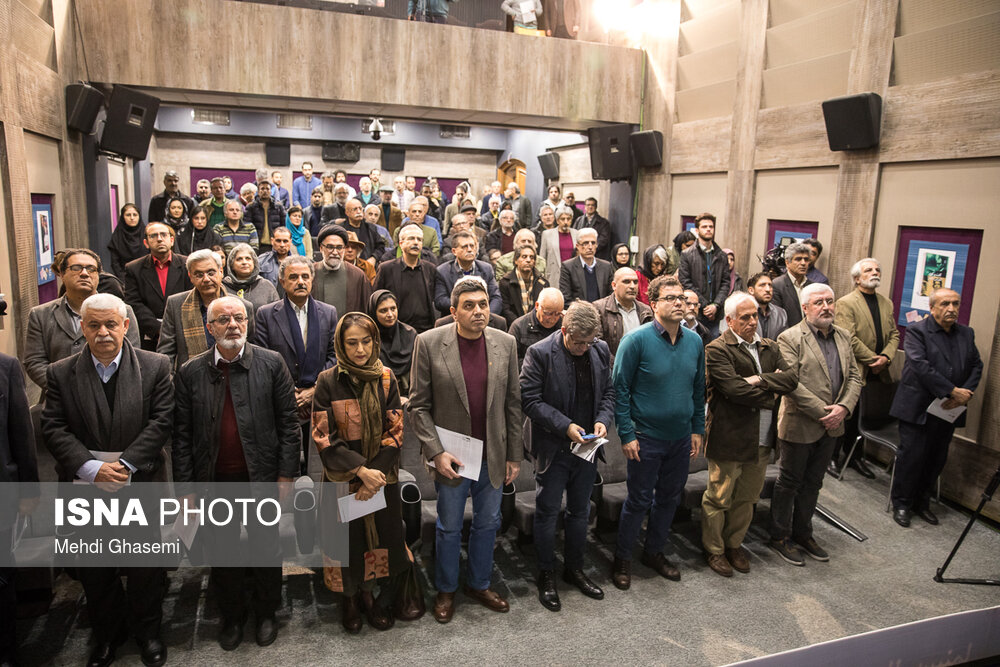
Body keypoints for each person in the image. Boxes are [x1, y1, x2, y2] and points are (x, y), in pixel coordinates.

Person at [42, 293, 172, 667]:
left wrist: (126, 464)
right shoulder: (61, 372)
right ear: (81, 327)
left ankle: (148, 634)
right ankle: (107, 636)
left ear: (125, 326)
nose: (103, 333)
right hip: (87, 485)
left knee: (145, 569)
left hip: (142, 480)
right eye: (94, 325)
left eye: (111, 324)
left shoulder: (156, 366)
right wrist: (91, 468)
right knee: (96, 570)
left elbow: (161, 421)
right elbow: (53, 426)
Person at [172, 296, 298, 651]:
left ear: (248, 323)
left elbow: (289, 425)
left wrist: (287, 475)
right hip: (215, 481)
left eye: (239, 318)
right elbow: (181, 436)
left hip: (261, 476)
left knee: (265, 548)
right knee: (223, 551)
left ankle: (267, 612)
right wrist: (186, 490)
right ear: (209, 327)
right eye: (223, 319)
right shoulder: (190, 371)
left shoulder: (272, 364)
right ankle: (231, 615)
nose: (232, 325)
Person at [408, 277, 523, 624]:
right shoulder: (428, 343)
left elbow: (513, 404)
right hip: (452, 456)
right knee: (449, 526)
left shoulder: (506, 343)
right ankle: (446, 588)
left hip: (493, 453)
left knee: (489, 523)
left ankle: (479, 583)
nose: (478, 312)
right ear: (453, 310)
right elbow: (417, 406)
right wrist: (435, 451)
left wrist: (513, 455)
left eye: (483, 304)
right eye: (469, 306)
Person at [310, 312, 409, 633]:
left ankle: (368, 594)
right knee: (348, 544)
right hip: (343, 480)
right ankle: (349, 599)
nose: (360, 350)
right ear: (340, 344)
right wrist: (360, 471)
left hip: (381, 479)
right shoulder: (327, 381)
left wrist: (374, 475)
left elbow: (395, 431)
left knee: (377, 539)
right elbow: (323, 436)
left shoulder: (386, 379)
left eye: (366, 342)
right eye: (352, 343)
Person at [610, 275, 705, 590]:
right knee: (638, 500)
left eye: (682, 297)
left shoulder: (694, 341)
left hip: (680, 438)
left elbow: (698, 390)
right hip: (646, 438)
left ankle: (654, 551)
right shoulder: (635, 340)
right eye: (670, 298)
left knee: (669, 498)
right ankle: (622, 558)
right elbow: (620, 391)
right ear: (653, 304)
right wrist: (626, 434)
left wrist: (696, 428)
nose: (679, 303)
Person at [520, 301, 613, 611]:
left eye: (589, 342)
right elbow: (530, 401)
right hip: (553, 446)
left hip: (587, 447)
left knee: (580, 512)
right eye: (579, 342)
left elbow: (609, 392)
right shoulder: (540, 353)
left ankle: (574, 569)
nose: (584, 348)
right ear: (564, 331)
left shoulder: (598, 349)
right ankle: (546, 574)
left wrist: (602, 419)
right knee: (547, 513)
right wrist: (566, 426)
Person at [701, 292, 797, 578]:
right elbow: (733, 390)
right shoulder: (717, 349)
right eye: (745, 317)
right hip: (730, 436)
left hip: (763, 437)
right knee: (719, 497)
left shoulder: (770, 347)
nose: (752, 321)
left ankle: (734, 544)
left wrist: (759, 380)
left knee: (747, 498)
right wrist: (770, 390)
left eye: (754, 315)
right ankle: (714, 549)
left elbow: (792, 379)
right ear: (729, 321)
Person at [770, 284, 862, 566]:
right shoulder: (789, 337)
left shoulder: (844, 336)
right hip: (801, 423)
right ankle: (779, 536)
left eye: (830, 301)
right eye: (819, 302)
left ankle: (803, 532)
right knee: (790, 482)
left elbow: (855, 377)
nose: (826, 307)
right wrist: (826, 412)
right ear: (806, 308)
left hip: (833, 424)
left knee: (814, 482)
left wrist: (844, 407)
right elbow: (790, 383)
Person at [889, 288, 982, 528]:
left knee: (936, 458)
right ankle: (902, 503)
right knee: (912, 457)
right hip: (917, 406)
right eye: (945, 304)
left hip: (948, 410)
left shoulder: (966, 333)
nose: (951, 309)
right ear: (932, 308)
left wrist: (965, 395)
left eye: (955, 304)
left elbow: (976, 365)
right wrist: (952, 390)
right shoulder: (917, 331)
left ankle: (922, 502)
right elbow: (920, 366)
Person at [255, 255, 339, 476]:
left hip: (319, 399)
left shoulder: (328, 312)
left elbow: (334, 356)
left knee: (317, 464)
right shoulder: (266, 314)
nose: (300, 281)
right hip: (282, 400)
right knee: (285, 464)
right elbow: (263, 358)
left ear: (312, 279)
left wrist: (315, 389)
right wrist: (288, 391)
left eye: (305, 276)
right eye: (293, 277)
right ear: (282, 281)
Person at [25, 249, 141, 399]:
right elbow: (34, 361)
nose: (84, 273)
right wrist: (64, 387)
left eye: (91, 269)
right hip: (59, 398)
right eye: (76, 268)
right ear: (61, 273)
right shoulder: (41, 315)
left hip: (112, 396)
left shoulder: (122, 311)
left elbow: (132, 356)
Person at [829, 258, 899, 479]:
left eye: (877, 269)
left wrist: (886, 357)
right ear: (857, 278)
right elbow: (847, 336)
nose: (875, 273)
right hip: (856, 369)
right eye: (869, 270)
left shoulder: (886, 302)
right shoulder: (846, 302)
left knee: (864, 417)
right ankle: (832, 457)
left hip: (879, 372)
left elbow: (895, 334)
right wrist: (872, 359)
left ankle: (854, 457)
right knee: (847, 414)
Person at [157, 249, 254, 371]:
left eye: (211, 273)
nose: (206, 279)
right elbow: (166, 352)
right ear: (190, 277)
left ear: (221, 272)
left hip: (235, 375)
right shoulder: (176, 305)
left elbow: (251, 349)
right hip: (191, 381)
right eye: (199, 275)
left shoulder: (243, 306)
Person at [0, 353, 38, 667]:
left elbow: (21, 433)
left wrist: (28, 491)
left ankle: (5, 651)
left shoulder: (6, 366)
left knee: (2, 577)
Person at [123, 222, 192, 350]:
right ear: (146, 243)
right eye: (153, 236)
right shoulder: (133, 268)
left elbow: (191, 297)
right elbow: (133, 302)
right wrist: (158, 329)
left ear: (171, 240)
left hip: (183, 332)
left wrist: (174, 328)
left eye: (163, 235)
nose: (159, 239)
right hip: (150, 337)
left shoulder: (187, 264)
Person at [373, 225, 438, 333]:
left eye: (419, 239)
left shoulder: (430, 269)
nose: (416, 242)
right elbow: (376, 300)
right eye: (411, 238)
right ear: (401, 244)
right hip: (396, 331)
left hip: (425, 331)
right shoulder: (386, 269)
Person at [679, 213, 730, 338]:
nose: (708, 229)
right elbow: (685, 282)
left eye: (711, 227)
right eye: (704, 226)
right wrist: (705, 305)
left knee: (711, 350)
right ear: (697, 230)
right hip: (695, 311)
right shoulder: (687, 254)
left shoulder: (721, 255)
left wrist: (716, 305)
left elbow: (726, 283)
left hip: (715, 314)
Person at [434, 230, 502, 316]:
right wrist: (466, 308)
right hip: (455, 319)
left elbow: (496, 298)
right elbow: (440, 301)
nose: (469, 250)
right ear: (454, 251)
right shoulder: (443, 271)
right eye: (464, 247)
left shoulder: (486, 268)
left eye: (472, 246)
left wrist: (486, 315)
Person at [312, 224, 373, 316]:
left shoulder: (357, 275)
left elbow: (366, 310)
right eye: (330, 247)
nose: (335, 252)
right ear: (321, 248)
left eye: (339, 247)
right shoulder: (309, 273)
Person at [593, 267, 653, 359]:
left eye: (635, 282)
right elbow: (597, 345)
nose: (632, 286)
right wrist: (618, 367)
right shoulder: (599, 308)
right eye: (626, 282)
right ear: (614, 285)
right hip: (612, 368)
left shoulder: (646, 310)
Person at [369, 290, 418, 397]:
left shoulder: (410, 334)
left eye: (393, 309)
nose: (390, 315)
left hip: (409, 395)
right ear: (373, 312)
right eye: (383, 311)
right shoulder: (368, 338)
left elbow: (419, 373)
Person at [509, 287, 565, 367]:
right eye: (548, 313)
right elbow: (512, 360)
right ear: (537, 305)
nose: (553, 319)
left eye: (558, 314)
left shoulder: (564, 325)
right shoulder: (519, 327)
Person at [559, 227, 613, 304]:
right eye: (585, 243)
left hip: (602, 312)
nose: (590, 247)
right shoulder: (568, 267)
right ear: (577, 246)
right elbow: (566, 298)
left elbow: (611, 295)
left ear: (597, 245)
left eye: (593, 243)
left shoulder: (606, 267)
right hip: (579, 313)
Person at [499, 245, 550, 327]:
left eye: (532, 257)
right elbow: (506, 310)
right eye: (524, 257)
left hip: (537, 326)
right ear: (516, 260)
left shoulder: (543, 283)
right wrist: (521, 325)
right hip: (514, 326)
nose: (528, 260)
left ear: (534, 262)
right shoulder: (506, 282)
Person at [223, 243, 280, 310]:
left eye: (248, 258)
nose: (244, 262)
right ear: (231, 265)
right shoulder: (224, 287)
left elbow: (277, 313)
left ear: (254, 263)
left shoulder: (266, 286)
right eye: (239, 259)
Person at [770, 242, 813, 328]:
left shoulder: (812, 286)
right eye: (798, 259)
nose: (803, 263)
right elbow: (778, 319)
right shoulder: (777, 285)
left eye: (806, 259)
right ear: (787, 263)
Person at [244, 175, 286, 252]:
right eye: (262, 189)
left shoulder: (279, 207)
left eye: (267, 188)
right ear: (258, 191)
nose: (265, 191)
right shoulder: (251, 207)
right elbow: (247, 227)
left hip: (274, 245)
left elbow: (283, 227)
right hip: (258, 245)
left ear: (271, 191)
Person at [539, 205, 578, 288]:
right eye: (563, 219)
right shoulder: (547, 234)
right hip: (553, 275)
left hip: (573, 274)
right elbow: (542, 258)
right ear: (557, 220)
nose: (566, 222)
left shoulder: (576, 234)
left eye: (568, 219)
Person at [107, 203, 147, 278]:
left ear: (139, 216)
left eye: (135, 215)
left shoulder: (147, 235)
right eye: (128, 215)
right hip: (125, 279)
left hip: (147, 278)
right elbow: (115, 263)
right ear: (122, 217)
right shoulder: (117, 237)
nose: (132, 218)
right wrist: (124, 281)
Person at [342, 198, 386, 264]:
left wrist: (374, 258)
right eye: (355, 209)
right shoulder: (341, 229)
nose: (359, 212)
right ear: (347, 212)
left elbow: (380, 247)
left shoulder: (371, 228)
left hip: (367, 266)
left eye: (360, 209)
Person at [573, 198, 612, 262]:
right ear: (585, 206)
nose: (590, 207)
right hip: (580, 255)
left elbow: (603, 240)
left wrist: (590, 248)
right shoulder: (578, 220)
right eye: (588, 205)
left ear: (596, 207)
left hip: (597, 256)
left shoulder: (604, 222)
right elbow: (574, 235)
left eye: (592, 205)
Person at [258, 225, 294, 289]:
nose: (282, 245)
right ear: (272, 241)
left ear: (290, 242)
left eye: (285, 241)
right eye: (278, 241)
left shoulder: (298, 263)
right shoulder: (261, 261)